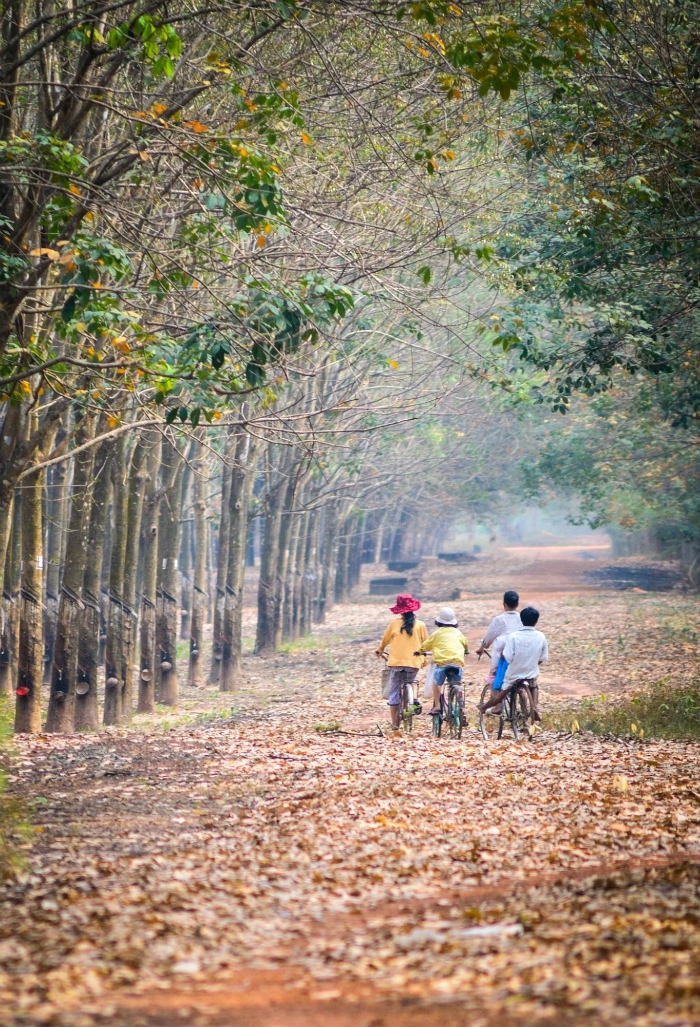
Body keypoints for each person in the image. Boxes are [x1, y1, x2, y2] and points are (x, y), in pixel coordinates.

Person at [478, 606, 548, 719]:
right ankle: (534, 707)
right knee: (534, 686)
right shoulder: (541, 636)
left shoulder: (513, 636)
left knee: (503, 691)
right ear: (536, 620)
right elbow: (542, 658)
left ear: (521, 619)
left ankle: (485, 707)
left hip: (514, 672)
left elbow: (508, 657)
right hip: (531, 671)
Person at [376, 594, 428, 731]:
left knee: (394, 692)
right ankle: (414, 699)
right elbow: (426, 644)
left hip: (396, 663)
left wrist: (380, 650)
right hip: (413, 662)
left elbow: (385, 641)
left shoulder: (394, 624)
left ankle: (395, 725)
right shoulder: (421, 625)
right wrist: (424, 659)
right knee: (412, 681)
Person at [415, 607, 469, 715]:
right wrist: (466, 651)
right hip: (457, 663)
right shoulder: (458, 633)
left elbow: (426, 645)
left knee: (436, 683)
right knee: (455, 683)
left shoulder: (437, 633)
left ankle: (437, 706)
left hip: (442, 664)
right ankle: (458, 705)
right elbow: (465, 643)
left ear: (439, 621)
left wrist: (419, 651)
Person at [476, 590, 522, 711]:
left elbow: (489, 637)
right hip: (519, 654)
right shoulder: (522, 618)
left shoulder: (499, 619)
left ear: (504, 604)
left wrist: (482, 648)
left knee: (494, 676)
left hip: (502, 654)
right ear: (517, 604)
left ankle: (498, 705)